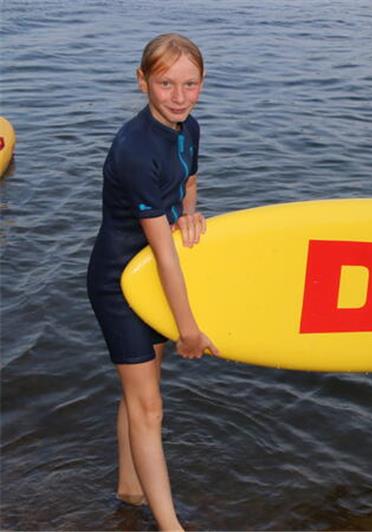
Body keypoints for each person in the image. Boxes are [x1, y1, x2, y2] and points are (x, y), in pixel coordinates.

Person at [87, 33, 219, 531]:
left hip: (151, 276)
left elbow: (188, 180)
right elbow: (164, 254)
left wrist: (188, 213)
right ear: (142, 81)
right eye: (166, 84)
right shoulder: (137, 149)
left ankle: (129, 488)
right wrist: (189, 330)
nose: (179, 97)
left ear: (202, 83)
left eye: (190, 84)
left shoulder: (188, 127)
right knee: (149, 406)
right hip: (119, 282)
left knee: (142, 392)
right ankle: (170, 526)